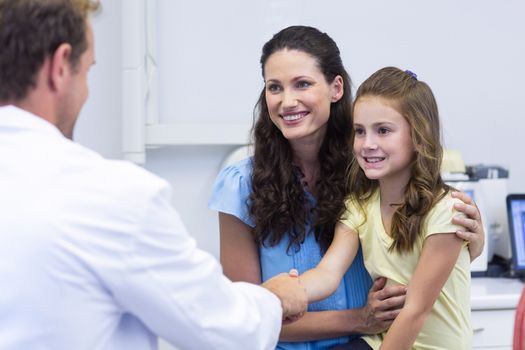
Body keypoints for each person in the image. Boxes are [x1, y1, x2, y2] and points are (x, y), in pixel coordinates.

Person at [0, 1, 308, 349]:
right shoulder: (107, 196)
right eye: (87, 71)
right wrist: (276, 298)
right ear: (59, 67)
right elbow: (225, 331)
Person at [209, 26, 485, 349]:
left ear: (336, 88)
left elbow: (427, 259)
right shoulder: (242, 183)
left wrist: (474, 239)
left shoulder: (366, 174)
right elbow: (247, 317)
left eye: (302, 84)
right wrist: (354, 316)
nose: (287, 101)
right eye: (274, 87)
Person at [299, 67, 472, 349]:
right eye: (359, 131)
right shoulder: (359, 207)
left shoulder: (446, 211)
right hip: (382, 341)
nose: (367, 144)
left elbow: (415, 312)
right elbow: (327, 274)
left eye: (383, 131)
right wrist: (286, 293)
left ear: (418, 136)